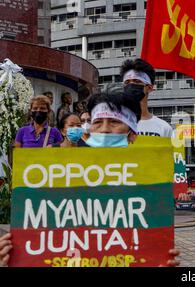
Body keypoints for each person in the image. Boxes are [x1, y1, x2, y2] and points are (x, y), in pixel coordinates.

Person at [1, 91, 181, 267]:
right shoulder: (60, 174)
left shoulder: (150, 183)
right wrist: (15, 257)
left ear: (132, 134)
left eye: (114, 122)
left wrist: (156, 259)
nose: (104, 129)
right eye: (97, 122)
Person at [120, 58, 173, 137]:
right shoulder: (113, 124)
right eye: (127, 82)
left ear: (149, 88)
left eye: (137, 81)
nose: (131, 85)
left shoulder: (164, 128)